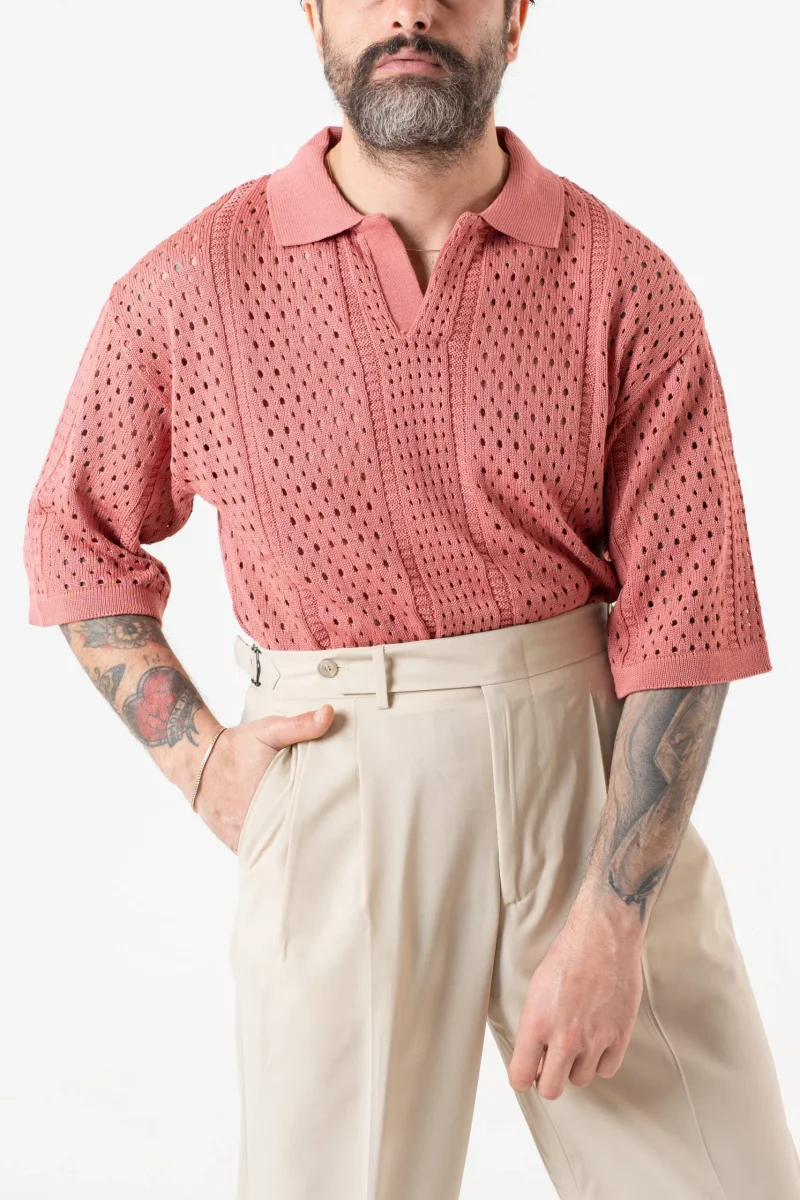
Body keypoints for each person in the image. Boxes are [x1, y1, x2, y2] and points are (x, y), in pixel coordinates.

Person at [22, 1, 800, 1197]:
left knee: (719, 1179)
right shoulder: (190, 284)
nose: (408, 11)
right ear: (313, 15)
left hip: (588, 790)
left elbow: (684, 611)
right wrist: (199, 760)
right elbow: (73, 533)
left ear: (515, 16)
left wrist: (612, 914)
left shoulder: (623, 281)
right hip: (335, 784)